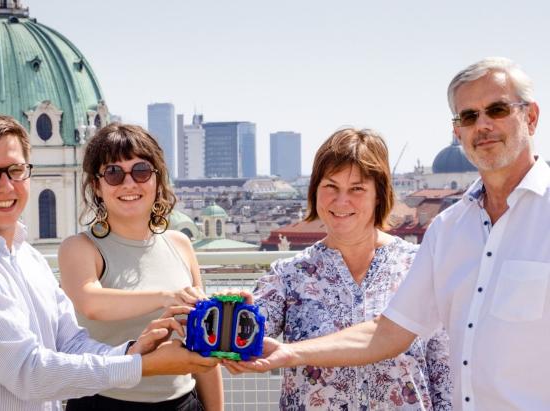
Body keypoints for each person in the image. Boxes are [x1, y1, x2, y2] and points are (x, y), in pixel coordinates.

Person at [226, 57, 550, 410]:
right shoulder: (449, 230)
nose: (483, 125)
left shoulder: (415, 253)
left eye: (497, 109)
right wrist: (284, 351)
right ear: (458, 132)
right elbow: (387, 333)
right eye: (469, 116)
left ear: (531, 117)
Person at [0, 112, 219, 411]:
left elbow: (69, 344)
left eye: (15, 170)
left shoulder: (28, 258)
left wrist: (134, 351)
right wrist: (141, 366)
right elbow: (29, 373)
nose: (6, 186)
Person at [239, 128, 451, 410]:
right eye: (330, 187)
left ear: (379, 195)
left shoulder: (417, 266)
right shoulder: (289, 275)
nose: (341, 201)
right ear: (315, 191)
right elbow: (248, 328)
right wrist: (232, 312)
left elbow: (444, 372)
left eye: (357, 189)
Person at [58, 123, 223, 410]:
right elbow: (91, 302)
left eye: (141, 171)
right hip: (105, 402)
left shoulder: (180, 244)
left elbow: (204, 345)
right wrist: (166, 297)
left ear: (157, 180)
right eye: (113, 173)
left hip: (183, 402)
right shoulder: (80, 248)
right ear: (96, 186)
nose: (129, 183)